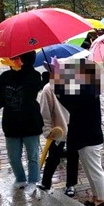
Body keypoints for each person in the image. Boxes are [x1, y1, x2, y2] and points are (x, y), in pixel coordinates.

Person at [54, 59, 104, 206]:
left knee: (95, 170)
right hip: (85, 136)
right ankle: (96, 196)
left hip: (89, 137)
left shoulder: (87, 91)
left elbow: (69, 102)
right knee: (90, 170)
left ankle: (101, 199)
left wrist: (58, 86)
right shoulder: (88, 88)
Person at [0, 52, 43, 189]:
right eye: (12, 58)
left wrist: (24, 68)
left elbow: (34, 88)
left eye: (17, 57)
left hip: (30, 122)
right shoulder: (4, 78)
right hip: (11, 124)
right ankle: (20, 178)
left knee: (32, 155)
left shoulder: (33, 75)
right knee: (14, 156)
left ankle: (33, 180)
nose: (13, 60)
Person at [38, 67, 79, 197]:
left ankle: (70, 185)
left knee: (73, 156)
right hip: (58, 130)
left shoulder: (75, 84)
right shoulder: (48, 89)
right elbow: (45, 113)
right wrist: (48, 130)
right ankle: (46, 182)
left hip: (74, 128)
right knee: (53, 157)